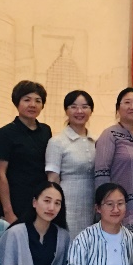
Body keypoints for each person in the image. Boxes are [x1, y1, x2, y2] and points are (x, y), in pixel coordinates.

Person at [0, 80, 53, 225]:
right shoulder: (5, 133)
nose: (32, 105)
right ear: (17, 103)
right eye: (27, 100)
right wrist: (8, 211)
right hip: (16, 202)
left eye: (38, 101)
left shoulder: (46, 131)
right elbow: (0, 174)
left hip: (40, 201)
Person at [94, 87, 133, 236]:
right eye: (127, 102)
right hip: (116, 209)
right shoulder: (110, 135)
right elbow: (101, 174)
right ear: (118, 108)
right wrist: (106, 205)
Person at [45, 90, 97, 239]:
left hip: (91, 203)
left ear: (91, 111)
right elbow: (53, 179)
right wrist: (54, 206)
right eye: (73, 107)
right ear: (66, 111)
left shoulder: (95, 141)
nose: (79, 111)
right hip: (68, 203)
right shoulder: (57, 142)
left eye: (85, 107)